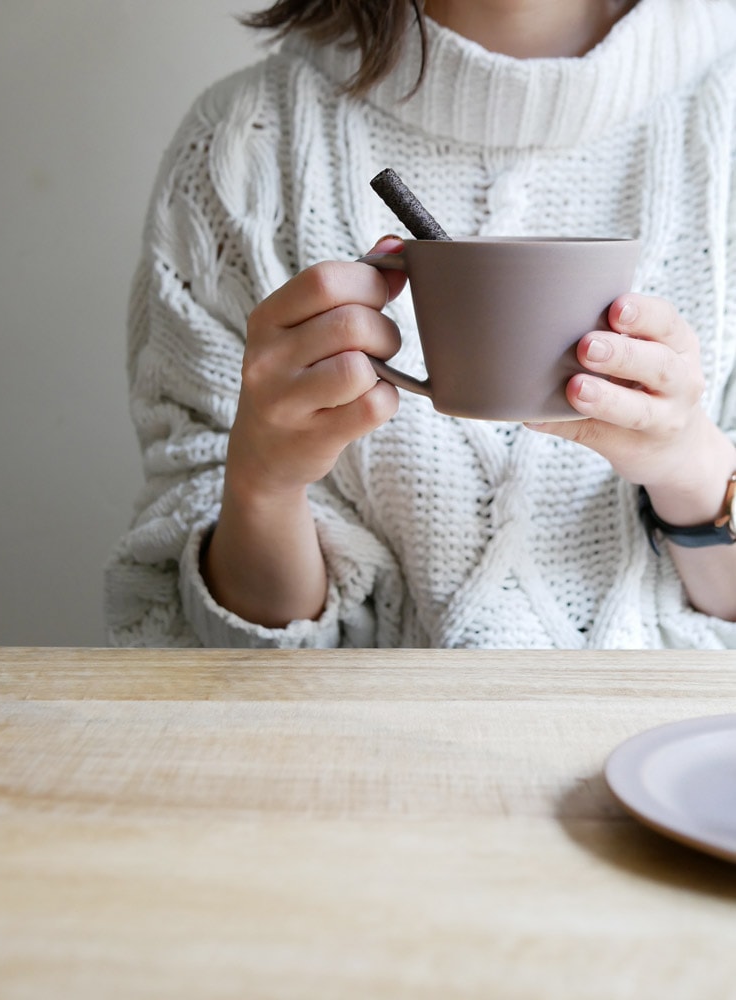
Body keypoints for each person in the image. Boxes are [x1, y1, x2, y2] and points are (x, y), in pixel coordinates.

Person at [104, 0, 736, 649]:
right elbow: (219, 660)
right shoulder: (243, 152)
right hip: (357, 746)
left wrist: (690, 464)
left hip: (668, 746)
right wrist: (264, 486)